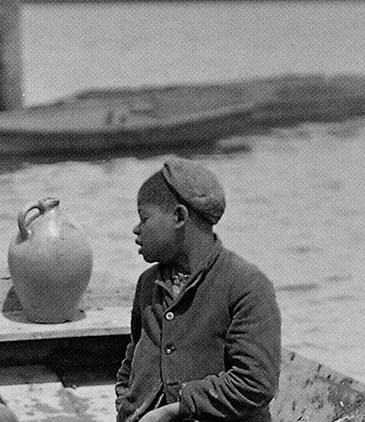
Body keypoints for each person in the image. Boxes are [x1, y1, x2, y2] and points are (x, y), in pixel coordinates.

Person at [115, 159, 283, 422]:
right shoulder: (148, 283)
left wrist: (175, 409)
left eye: (144, 218)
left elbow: (255, 383)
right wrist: (126, 404)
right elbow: (133, 357)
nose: (136, 229)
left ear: (179, 216)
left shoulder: (247, 285)